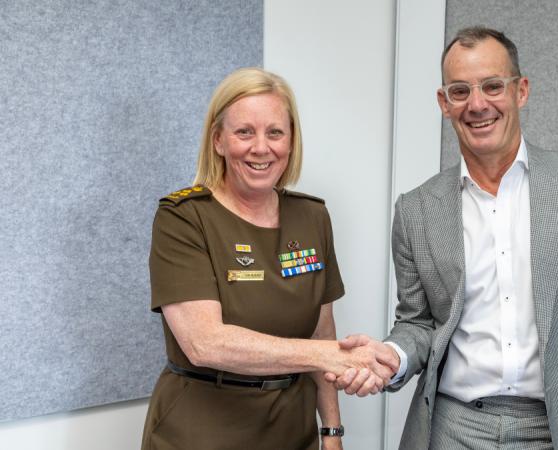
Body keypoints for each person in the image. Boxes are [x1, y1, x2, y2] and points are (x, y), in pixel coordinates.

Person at [328, 27, 558, 449]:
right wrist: (392, 358)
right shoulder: (416, 210)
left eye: (493, 86)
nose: (477, 105)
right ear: (444, 103)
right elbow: (417, 322)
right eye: (460, 91)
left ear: (520, 91)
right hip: (455, 427)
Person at [141, 67, 393, 450]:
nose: (262, 147)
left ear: (291, 141)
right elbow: (205, 343)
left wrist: (332, 432)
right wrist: (333, 357)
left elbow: (320, 331)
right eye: (245, 132)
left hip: (294, 430)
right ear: (218, 141)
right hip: (201, 431)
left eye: (275, 132)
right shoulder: (184, 217)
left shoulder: (312, 217)